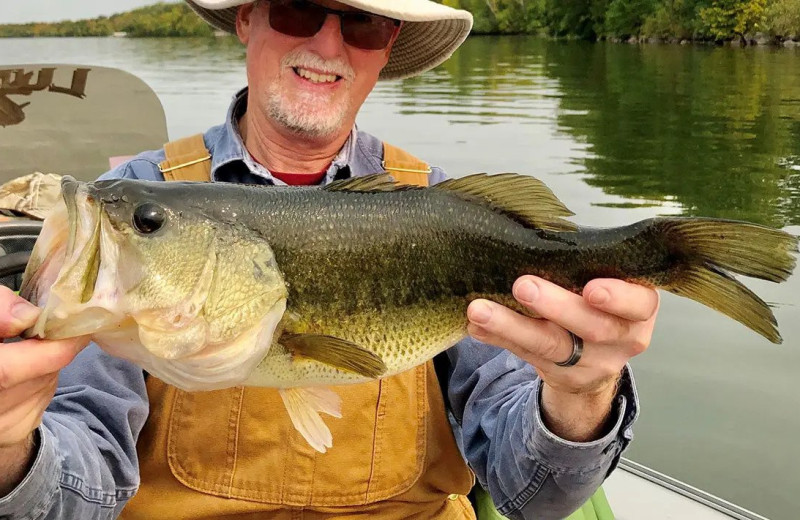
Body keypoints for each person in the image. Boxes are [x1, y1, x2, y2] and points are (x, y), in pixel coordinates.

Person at [0, 0, 659, 518]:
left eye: (363, 22)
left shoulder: (443, 212)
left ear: (388, 45)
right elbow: (73, 489)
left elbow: (534, 497)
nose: (326, 44)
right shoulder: (139, 199)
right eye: (296, 8)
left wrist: (583, 394)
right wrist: (9, 448)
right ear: (247, 18)